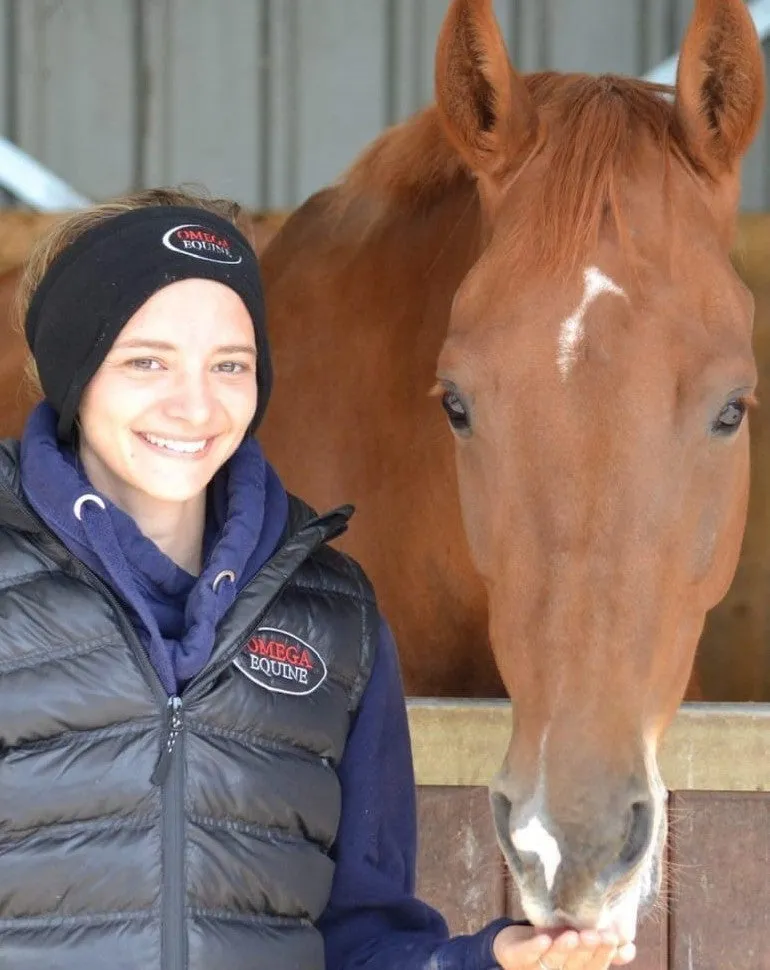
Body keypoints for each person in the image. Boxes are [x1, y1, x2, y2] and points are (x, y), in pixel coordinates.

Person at [0, 187, 637, 970]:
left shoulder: (332, 619)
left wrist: (480, 962)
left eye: (229, 364)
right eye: (146, 362)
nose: (195, 404)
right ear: (77, 371)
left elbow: (360, 942)